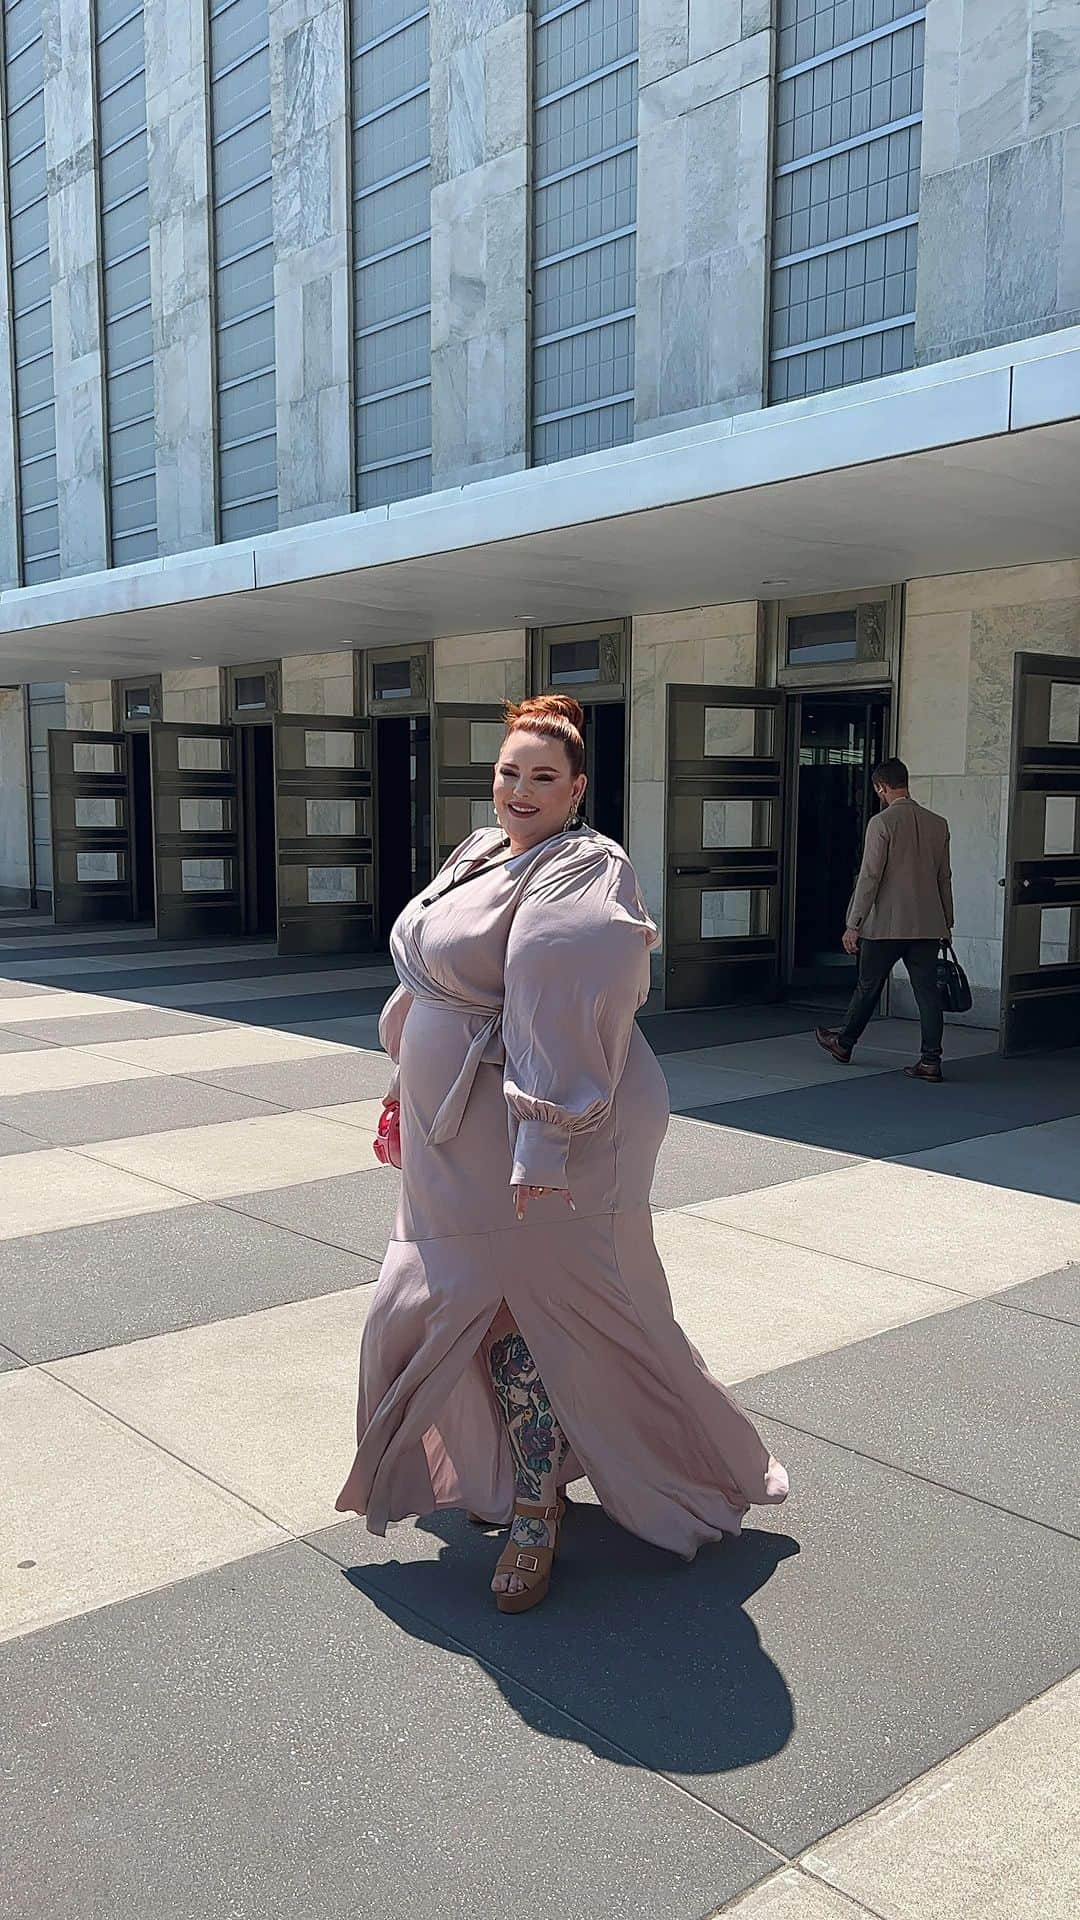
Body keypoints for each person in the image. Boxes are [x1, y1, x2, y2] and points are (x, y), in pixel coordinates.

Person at [336, 693, 788, 1614]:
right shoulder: (477, 853)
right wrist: (402, 1087)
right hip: (451, 1136)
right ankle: (516, 1475)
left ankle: (538, 1512)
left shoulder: (584, 867)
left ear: (577, 789)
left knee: (522, 1317)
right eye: (509, 771)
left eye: (543, 776)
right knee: (438, 1303)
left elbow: (561, 1004)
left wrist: (540, 1148)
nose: (520, 788)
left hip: (537, 1138)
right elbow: (426, 980)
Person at [815, 757, 954, 1083]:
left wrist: (854, 922)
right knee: (927, 993)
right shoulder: (938, 823)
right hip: (927, 925)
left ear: (881, 787)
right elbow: (944, 877)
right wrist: (947, 921)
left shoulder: (882, 823)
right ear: (906, 782)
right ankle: (931, 1061)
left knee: (868, 986)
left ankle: (844, 1043)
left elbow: (870, 877)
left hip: (885, 925)